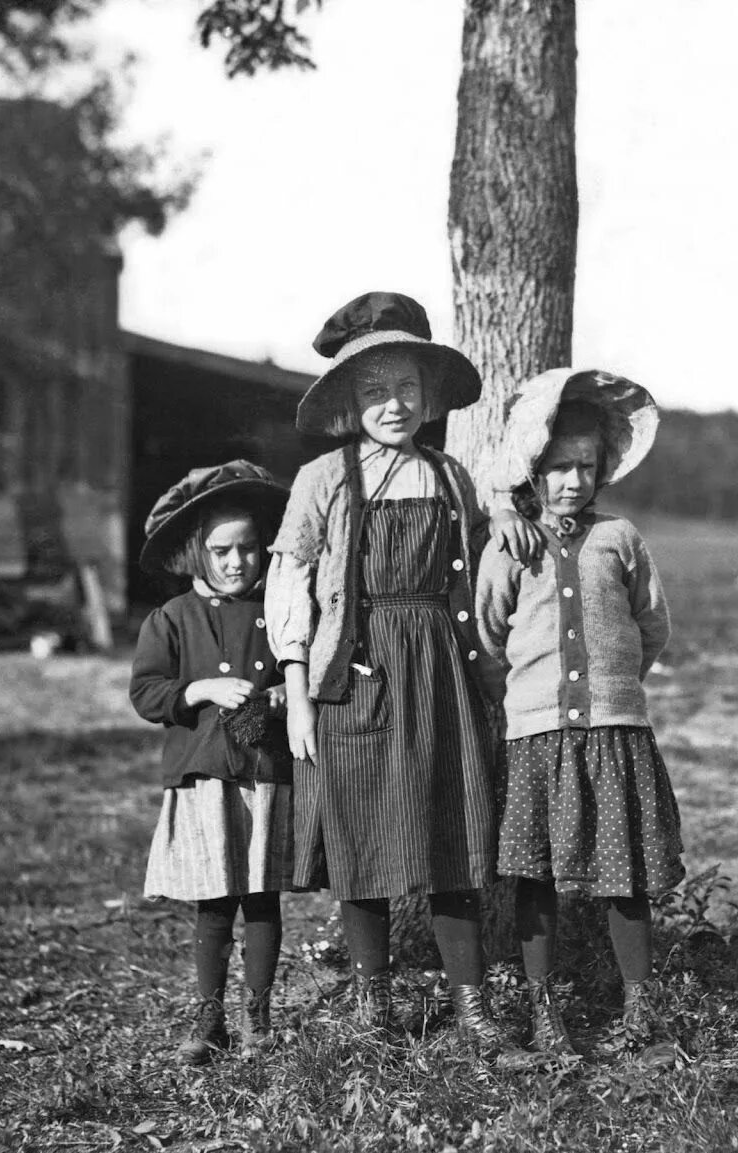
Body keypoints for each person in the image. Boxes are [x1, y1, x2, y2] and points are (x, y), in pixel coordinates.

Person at [265, 291, 537, 1056]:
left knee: (456, 836)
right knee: (363, 840)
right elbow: (289, 582)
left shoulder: (451, 477)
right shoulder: (323, 479)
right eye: (377, 390)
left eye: (408, 389)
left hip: (441, 668)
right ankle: (372, 1005)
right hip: (355, 673)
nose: (395, 404)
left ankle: (472, 1008)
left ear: (429, 398)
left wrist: (509, 520)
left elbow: (485, 570)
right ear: (352, 400)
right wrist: (294, 695)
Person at [474, 367, 684, 1057]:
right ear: (533, 472)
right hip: (538, 738)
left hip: (614, 732)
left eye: (584, 467)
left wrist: (612, 689)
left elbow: (651, 626)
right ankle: (542, 1009)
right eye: (558, 467)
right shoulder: (510, 544)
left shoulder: (620, 538)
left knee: (624, 875)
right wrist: (536, 692)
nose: (572, 481)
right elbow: (489, 631)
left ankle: (641, 1008)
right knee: (536, 878)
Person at [131, 460, 294, 1066]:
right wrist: (196, 690)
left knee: (262, 896)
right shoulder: (172, 619)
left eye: (248, 549)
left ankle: (258, 1013)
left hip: (264, 777)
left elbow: (293, 673)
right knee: (214, 900)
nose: (236, 563)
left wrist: (281, 693)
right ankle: (209, 1014)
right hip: (204, 780)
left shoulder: (275, 613)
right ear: (197, 552)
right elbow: (148, 693)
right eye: (222, 551)